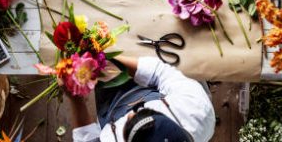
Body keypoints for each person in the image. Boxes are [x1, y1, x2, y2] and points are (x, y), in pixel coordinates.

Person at [66, 56, 216, 142]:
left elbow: (87, 139)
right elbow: (160, 72)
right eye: (148, 112)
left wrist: (75, 97)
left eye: (128, 125)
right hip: (154, 88)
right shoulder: (196, 111)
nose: (130, 114)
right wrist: (105, 58)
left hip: (112, 107)